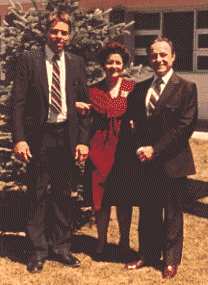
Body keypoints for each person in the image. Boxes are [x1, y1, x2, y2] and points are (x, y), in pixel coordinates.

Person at [12, 11, 90, 273]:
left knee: (62, 192)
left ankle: (61, 247)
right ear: (47, 32)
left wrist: (82, 141)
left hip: (66, 136)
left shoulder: (76, 62)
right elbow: (18, 103)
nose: (59, 36)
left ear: (70, 35)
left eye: (64, 32)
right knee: (36, 193)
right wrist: (20, 139)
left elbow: (84, 106)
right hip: (39, 137)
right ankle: (36, 250)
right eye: (55, 31)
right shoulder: (29, 60)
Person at [125, 38, 198, 279]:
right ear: (149, 58)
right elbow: (132, 124)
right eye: (154, 55)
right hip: (146, 162)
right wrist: (140, 149)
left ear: (173, 56)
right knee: (148, 211)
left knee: (173, 213)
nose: (159, 59)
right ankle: (146, 253)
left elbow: (184, 127)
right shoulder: (139, 89)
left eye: (164, 55)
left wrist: (154, 149)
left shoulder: (186, 87)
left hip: (173, 161)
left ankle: (170, 261)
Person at [84, 42, 136, 260]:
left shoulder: (132, 88)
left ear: (123, 65)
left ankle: (124, 242)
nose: (114, 66)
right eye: (109, 62)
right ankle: (101, 241)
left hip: (124, 149)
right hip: (99, 149)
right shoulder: (94, 90)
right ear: (103, 65)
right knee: (101, 198)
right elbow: (101, 114)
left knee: (123, 197)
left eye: (118, 62)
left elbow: (130, 114)